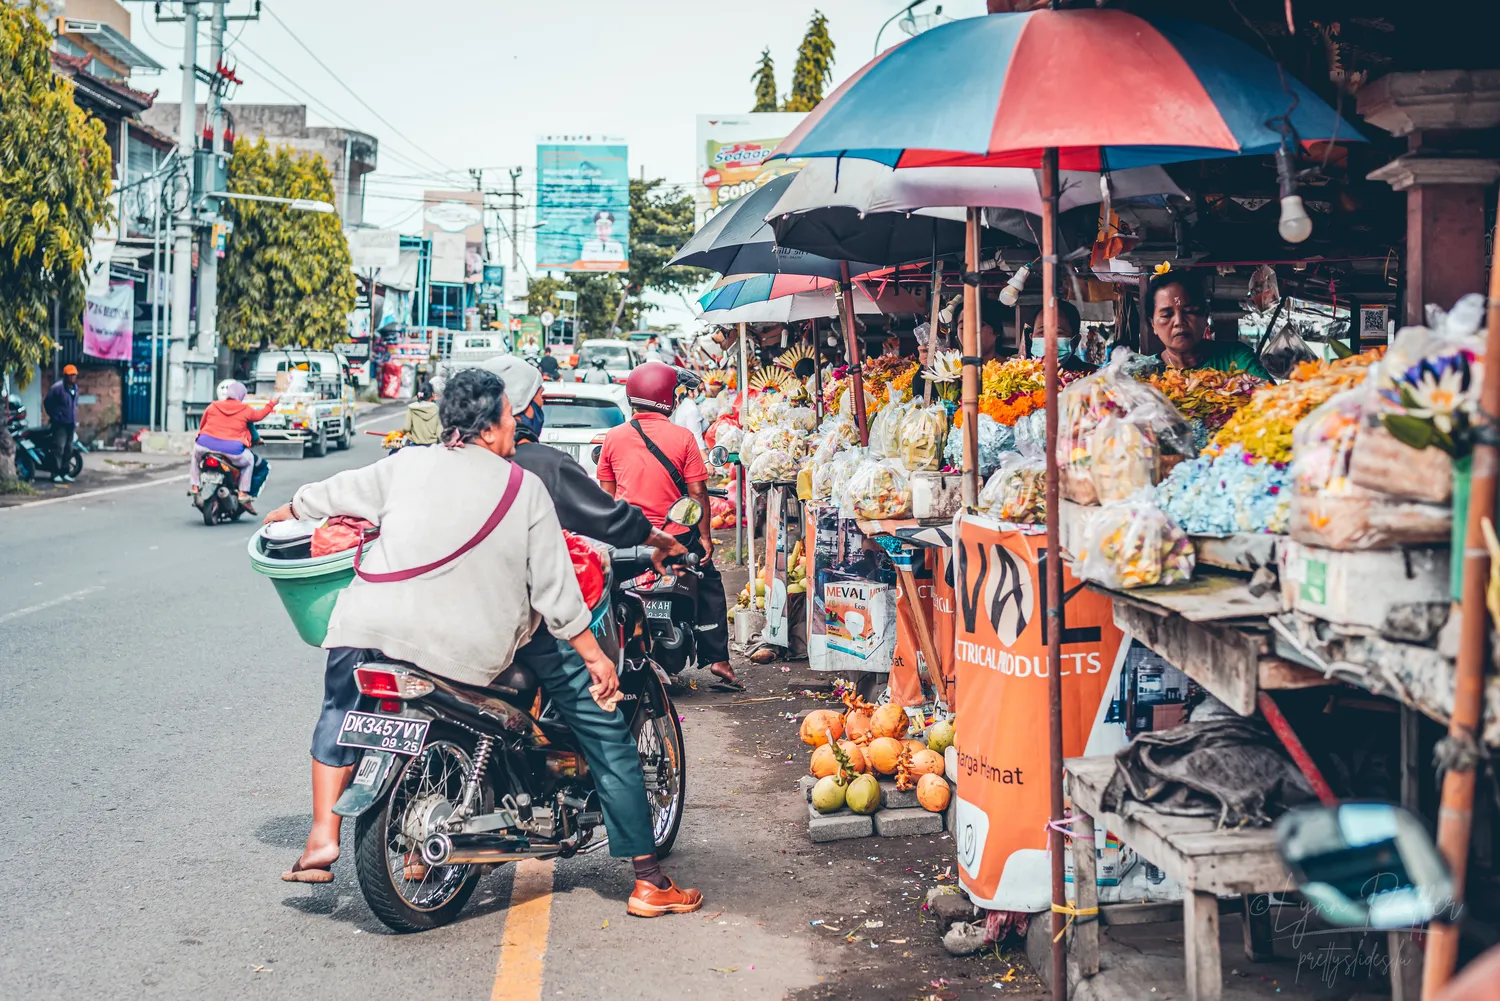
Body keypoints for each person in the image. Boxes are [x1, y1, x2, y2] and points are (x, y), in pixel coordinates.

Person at [261, 368, 702, 917]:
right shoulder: (523, 487)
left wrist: (288, 511)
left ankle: (329, 832)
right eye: (512, 416)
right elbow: (556, 593)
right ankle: (647, 881)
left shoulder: (406, 464)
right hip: (473, 640)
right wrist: (595, 660)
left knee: (338, 708)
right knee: (605, 729)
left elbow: (324, 497)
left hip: (372, 629)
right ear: (491, 426)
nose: (518, 424)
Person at [597, 362, 738, 690]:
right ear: (669, 399)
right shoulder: (684, 437)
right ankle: (719, 660)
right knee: (710, 584)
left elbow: (605, 498)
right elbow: (698, 492)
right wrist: (705, 537)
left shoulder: (613, 438)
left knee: (603, 587)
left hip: (626, 540)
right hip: (674, 539)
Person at [482, 356, 687, 574]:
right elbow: (608, 516)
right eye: (541, 398)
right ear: (515, 407)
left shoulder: (447, 462)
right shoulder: (548, 465)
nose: (543, 405)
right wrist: (665, 542)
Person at [1147, 271, 1268, 378]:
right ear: (1153, 324)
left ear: (1205, 316)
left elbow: (1269, 398)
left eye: (1190, 311)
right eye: (1167, 315)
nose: (1179, 322)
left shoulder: (1236, 359)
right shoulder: (1144, 374)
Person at [191, 381, 279, 513]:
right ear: (242, 395)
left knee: (195, 458)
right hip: (232, 451)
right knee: (249, 461)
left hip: (204, 445)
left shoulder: (213, 406)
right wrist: (272, 403)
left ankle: (195, 486)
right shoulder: (245, 409)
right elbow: (259, 416)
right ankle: (243, 493)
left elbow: (203, 424)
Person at [42, 364, 79, 483]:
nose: (72, 377)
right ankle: (55, 473)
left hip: (71, 423)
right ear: (65, 376)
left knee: (69, 449)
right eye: (70, 375)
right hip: (60, 424)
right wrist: (55, 416)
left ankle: (64, 472)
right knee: (59, 448)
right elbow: (47, 402)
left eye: (74, 375)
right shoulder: (57, 388)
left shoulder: (75, 388)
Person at [402, 381, 441, 446]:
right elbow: (439, 434)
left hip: (415, 446)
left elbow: (406, 428)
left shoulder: (411, 408)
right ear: (432, 395)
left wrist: (401, 432)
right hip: (432, 447)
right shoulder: (436, 409)